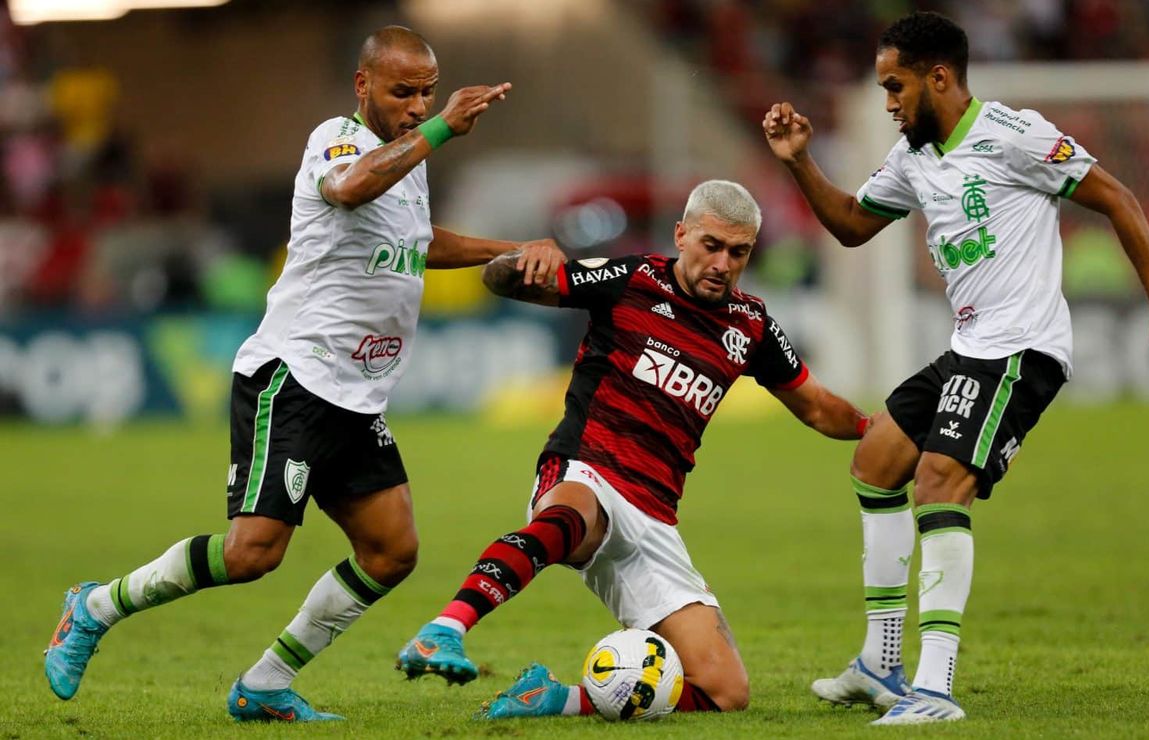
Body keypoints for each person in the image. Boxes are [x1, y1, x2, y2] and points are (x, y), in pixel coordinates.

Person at [43, 25, 564, 723]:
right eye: (401, 92)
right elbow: (350, 190)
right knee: (253, 552)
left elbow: (416, 242)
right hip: (293, 378)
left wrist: (516, 246)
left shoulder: (411, 161)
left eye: (427, 94)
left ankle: (263, 685)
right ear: (363, 85)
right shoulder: (337, 141)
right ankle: (94, 607)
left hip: (355, 394)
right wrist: (439, 128)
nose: (415, 106)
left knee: (390, 550)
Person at [762, 11, 1149, 726]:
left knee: (938, 482)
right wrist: (798, 161)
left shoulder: (1013, 135)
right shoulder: (913, 157)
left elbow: (1116, 196)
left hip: (1022, 348)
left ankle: (933, 690)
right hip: (970, 346)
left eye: (896, 85)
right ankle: (882, 662)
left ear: (940, 77)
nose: (889, 102)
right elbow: (849, 225)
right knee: (876, 461)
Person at [394, 179, 871, 719]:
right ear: (681, 234)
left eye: (738, 252)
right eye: (710, 245)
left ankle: (553, 699)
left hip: (655, 517)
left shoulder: (751, 324)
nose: (722, 263)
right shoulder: (632, 278)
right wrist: (524, 254)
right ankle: (444, 629)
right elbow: (503, 281)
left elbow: (816, 407)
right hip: (587, 466)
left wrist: (875, 429)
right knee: (571, 520)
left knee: (724, 691)